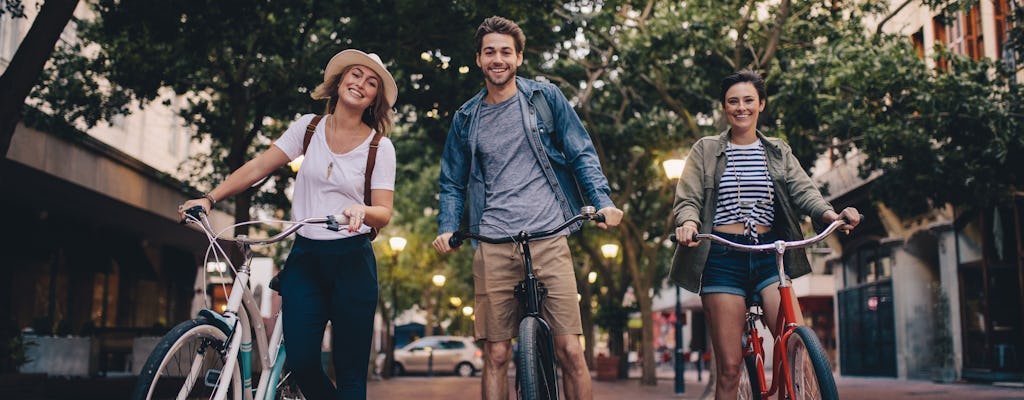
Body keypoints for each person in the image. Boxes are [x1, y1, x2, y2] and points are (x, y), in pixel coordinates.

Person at [177, 49, 398, 400]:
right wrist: (209, 198)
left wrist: (362, 209)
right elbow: (258, 166)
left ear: (374, 99)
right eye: (355, 75)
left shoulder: (379, 147)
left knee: (351, 373)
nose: (361, 84)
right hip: (306, 257)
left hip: (352, 261)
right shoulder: (308, 127)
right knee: (302, 361)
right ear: (340, 81)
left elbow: (384, 211)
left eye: (371, 83)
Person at [431, 16, 623, 400]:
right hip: (494, 241)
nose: (497, 59)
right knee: (497, 354)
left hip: (550, 236)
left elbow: (580, 151)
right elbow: (452, 181)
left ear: (518, 57)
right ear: (479, 59)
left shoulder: (544, 98)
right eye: (490, 52)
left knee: (570, 350)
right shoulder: (467, 117)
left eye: (505, 52)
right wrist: (448, 226)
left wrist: (602, 202)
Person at [670, 70, 860, 400]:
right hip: (722, 259)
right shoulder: (706, 149)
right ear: (724, 107)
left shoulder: (777, 151)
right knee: (729, 368)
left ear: (761, 104)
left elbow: (805, 191)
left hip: (770, 257)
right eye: (733, 101)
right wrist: (688, 223)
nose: (741, 107)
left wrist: (830, 215)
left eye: (748, 100)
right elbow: (688, 199)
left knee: (794, 348)